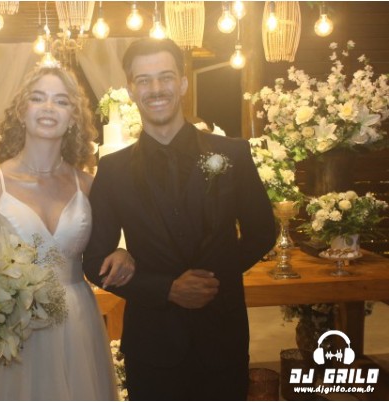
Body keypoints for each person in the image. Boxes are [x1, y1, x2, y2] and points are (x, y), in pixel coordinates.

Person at [83, 38, 276, 400]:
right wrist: (166, 288)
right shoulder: (113, 169)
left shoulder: (232, 153)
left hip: (222, 335)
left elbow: (263, 231)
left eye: (165, 77)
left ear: (183, 83)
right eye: (144, 80)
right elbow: (94, 260)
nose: (156, 89)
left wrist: (211, 279)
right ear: (131, 89)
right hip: (152, 344)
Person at [0, 65, 134, 400]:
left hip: (76, 321)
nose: (48, 107)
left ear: (73, 117)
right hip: (13, 327)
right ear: (21, 111)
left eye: (61, 101)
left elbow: (112, 244)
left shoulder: (89, 186)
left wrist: (123, 252)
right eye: (38, 98)